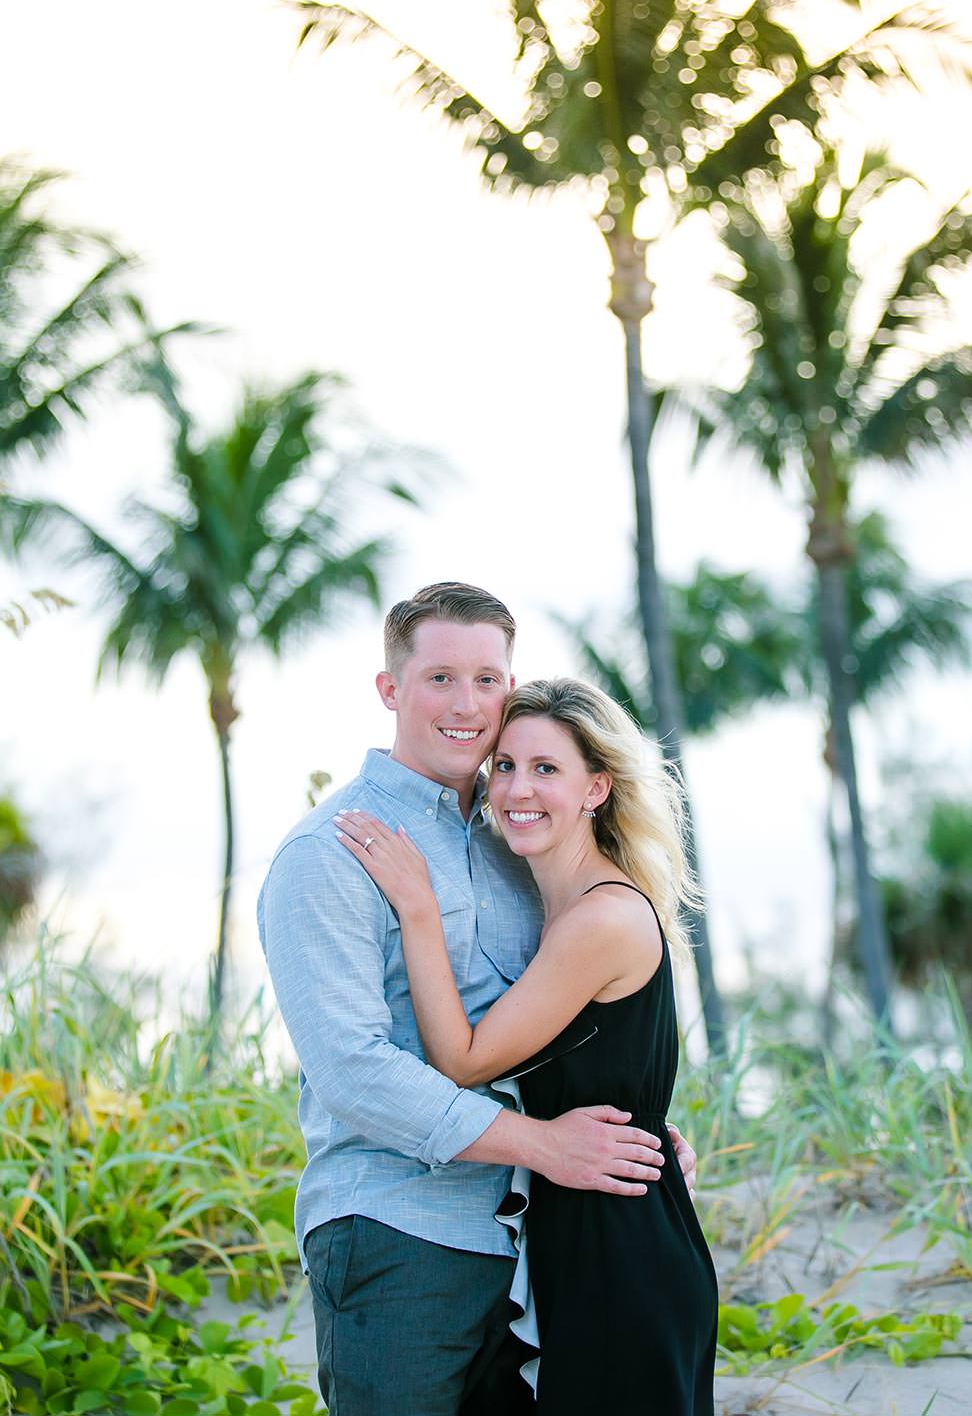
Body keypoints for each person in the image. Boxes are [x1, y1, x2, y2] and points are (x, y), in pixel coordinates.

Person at [257, 582, 697, 1416]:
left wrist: (630, 1122)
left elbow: (568, 1022)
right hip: (401, 1233)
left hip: (541, 1241)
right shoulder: (330, 853)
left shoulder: (516, 839)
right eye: (440, 678)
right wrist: (543, 1142)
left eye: (488, 679)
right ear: (391, 689)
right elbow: (353, 1070)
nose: (468, 704)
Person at [334, 675, 719, 1413]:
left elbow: (465, 1059)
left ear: (596, 788)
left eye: (547, 768)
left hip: (619, 1251)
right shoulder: (561, 906)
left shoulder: (599, 918)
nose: (517, 787)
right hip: (581, 1231)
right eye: (504, 764)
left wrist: (418, 908)